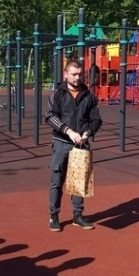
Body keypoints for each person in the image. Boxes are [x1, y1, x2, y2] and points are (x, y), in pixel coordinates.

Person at [45, 60, 102, 232]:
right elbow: (50, 116)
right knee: (57, 181)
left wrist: (88, 133)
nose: (77, 78)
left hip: (80, 145)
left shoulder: (89, 95)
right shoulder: (58, 94)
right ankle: (54, 216)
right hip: (61, 143)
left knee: (79, 180)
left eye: (80, 74)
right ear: (66, 74)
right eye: (74, 74)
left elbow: (96, 119)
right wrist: (68, 131)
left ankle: (78, 215)